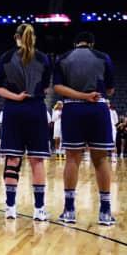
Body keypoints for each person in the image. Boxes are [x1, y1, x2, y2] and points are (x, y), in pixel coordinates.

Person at [54, 31, 116, 226]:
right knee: (100, 159)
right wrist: (90, 95)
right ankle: (105, 212)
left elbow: (57, 87)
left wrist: (80, 95)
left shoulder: (63, 58)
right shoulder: (103, 57)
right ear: (92, 43)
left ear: (75, 43)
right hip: (98, 107)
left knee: (72, 159)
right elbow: (110, 90)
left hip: (73, 108)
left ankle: (70, 210)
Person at [0, 24, 52, 221]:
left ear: (15, 36)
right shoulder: (43, 58)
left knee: (13, 159)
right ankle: (39, 209)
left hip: (14, 110)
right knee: (37, 161)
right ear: (33, 37)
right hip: (36, 109)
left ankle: (10, 208)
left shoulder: (6, 57)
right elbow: (44, 87)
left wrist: (16, 96)